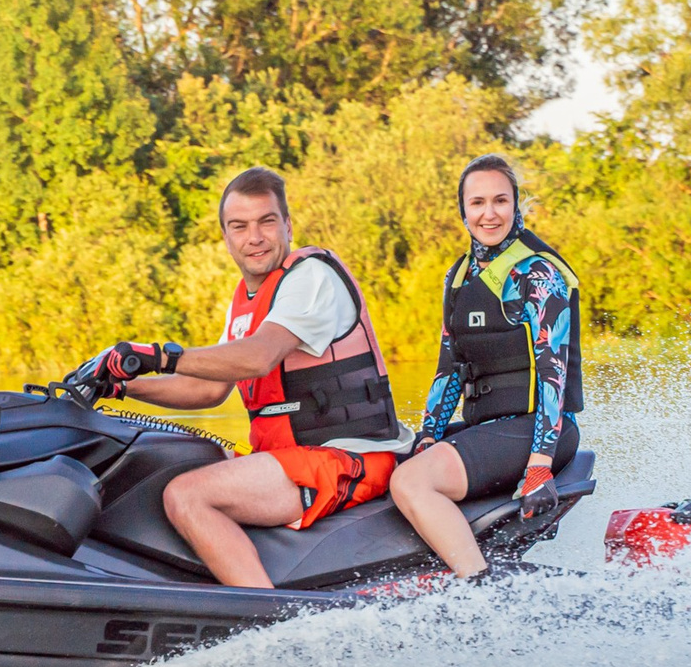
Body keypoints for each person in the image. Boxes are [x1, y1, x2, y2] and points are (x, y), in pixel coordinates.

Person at [79, 166, 408, 588]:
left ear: (287, 225)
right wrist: (121, 387)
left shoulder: (310, 277)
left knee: (187, 494)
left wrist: (158, 356)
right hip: (295, 457)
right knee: (163, 463)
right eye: (240, 226)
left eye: (266, 222)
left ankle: (264, 620)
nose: (254, 237)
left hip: (348, 457)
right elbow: (209, 388)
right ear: (226, 237)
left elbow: (258, 357)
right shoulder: (247, 299)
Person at [386, 152, 584, 580]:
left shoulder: (537, 273)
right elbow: (448, 368)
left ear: (516, 206)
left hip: (537, 430)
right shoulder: (458, 276)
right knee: (392, 461)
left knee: (411, 483)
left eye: (500, 201)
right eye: (477, 203)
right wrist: (426, 437)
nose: (489, 214)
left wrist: (539, 464)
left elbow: (555, 372)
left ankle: (478, 585)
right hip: (489, 427)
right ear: (463, 211)